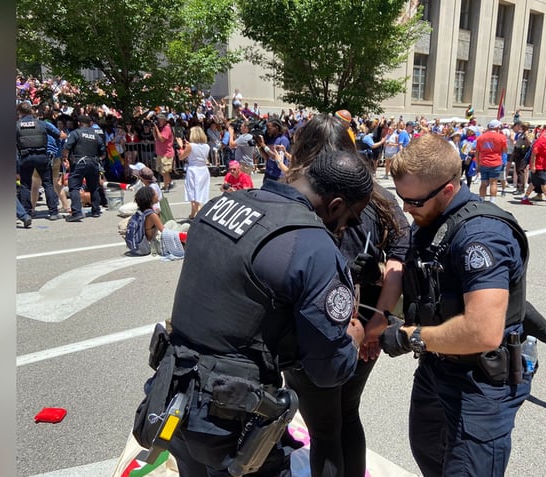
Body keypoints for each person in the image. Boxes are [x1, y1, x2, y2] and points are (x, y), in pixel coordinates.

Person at [142, 149, 373, 476]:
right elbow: (326, 372)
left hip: (173, 394)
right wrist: (351, 339)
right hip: (232, 419)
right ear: (336, 205)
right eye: (350, 217)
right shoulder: (313, 245)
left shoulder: (221, 204)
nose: (347, 227)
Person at [381, 133, 532, 477]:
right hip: (438, 368)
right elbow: (433, 288)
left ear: (447, 190)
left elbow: (483, 331)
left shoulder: (481, 236)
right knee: (429, 455)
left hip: (479, 383)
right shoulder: (432, 222)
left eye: (414, 201)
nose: (406, 208)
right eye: (402, 198)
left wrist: (409, 337)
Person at [281, 114, 409, 477]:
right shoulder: (377, 194)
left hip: (312, 329)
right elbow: (401, 257)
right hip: (368, 322)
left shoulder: (296, 194)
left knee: (323, 430)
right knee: (348, 414)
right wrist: (378, 321)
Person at [16, 101, 64, 221]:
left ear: (19, 112)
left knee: (25, 185)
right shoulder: (42, 124)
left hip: (25, 157)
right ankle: (53, 212)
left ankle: (27, 212)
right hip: (42, 156)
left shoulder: (16, 125)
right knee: (47, 184)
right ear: (31, 111)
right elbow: (59, 135)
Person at [61, 114, 105, 222]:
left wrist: (64, 158)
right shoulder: (96, 135)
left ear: (79, 123)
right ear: (90, 123)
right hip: (93, 162)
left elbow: (67, 147)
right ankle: (96, 210)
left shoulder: (75, 133)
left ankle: (76, 212)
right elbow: (103, 152)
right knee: (93, 187)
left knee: (74, 187)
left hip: (79, 162)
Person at [519, 126, 546, 206]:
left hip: (544, 165)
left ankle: (525, 198)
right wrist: (533, 166)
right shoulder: (541, 142)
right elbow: (533, 155)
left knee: (533, 183)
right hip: (538, 166)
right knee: (544, 182)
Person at [177, 126, 211, 220]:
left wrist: (181, 146)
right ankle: (192, 214)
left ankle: (200, 215)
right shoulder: (206, 146)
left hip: (194, 170)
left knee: (193, 194)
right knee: (199, 193)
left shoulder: (190, 146)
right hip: (203, 170)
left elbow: (181, 157)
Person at [475, 119, 508, 202]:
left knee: (483, 183)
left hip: (484, 162)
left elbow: (477, 152)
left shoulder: (480, 137)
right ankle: (492, 201)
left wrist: (478, 164)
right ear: (497, 127)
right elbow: (505, 150)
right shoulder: (501, 137)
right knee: (493, 183)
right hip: (496, 162)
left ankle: (481, 199)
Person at [256, 118, 290, 182]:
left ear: (276, 128)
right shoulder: (271, 139)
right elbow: (267, 158)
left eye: (269, 128)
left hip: (278, 176)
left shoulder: (283, 140)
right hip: (268, 173)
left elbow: (277, 157)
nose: (267, 131)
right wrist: (260, 146)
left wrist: (264, 145)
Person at [152, 113, 175, 192]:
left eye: (161, 119)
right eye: (158, 119)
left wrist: (157, 130)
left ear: (164, 120)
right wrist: (154, 129)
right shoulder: (160, 128)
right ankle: (170, 182)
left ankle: (167, 186)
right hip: (160, 152)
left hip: (166, 152)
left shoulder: (167, 128)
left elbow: (162, 139)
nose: (159, 121)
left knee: (165, 171)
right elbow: (155, 137)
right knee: (161, 170)